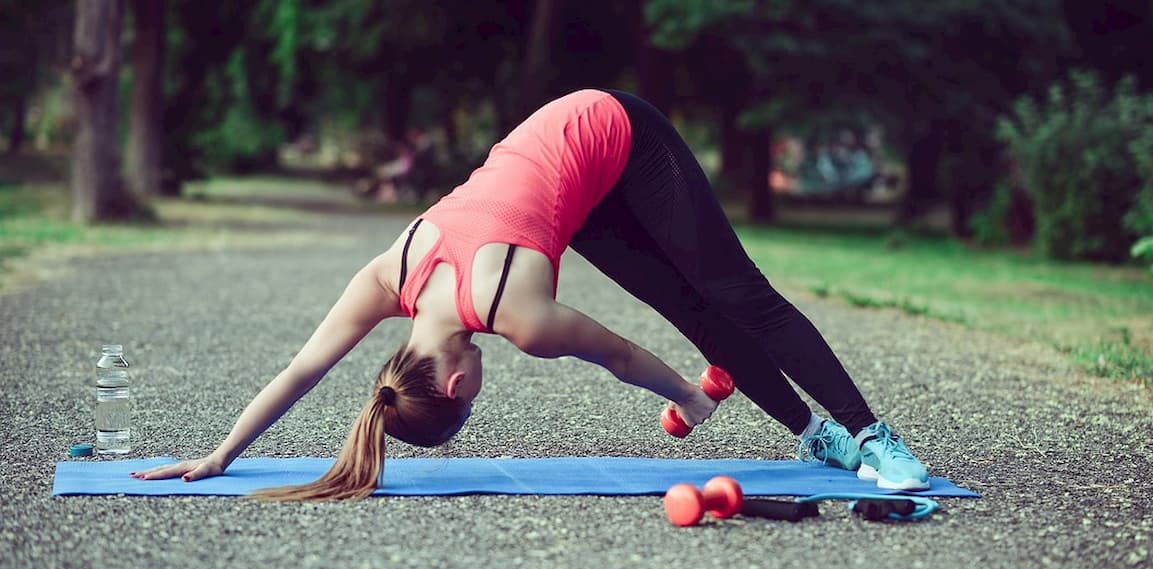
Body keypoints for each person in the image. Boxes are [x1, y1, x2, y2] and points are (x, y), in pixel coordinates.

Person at [132, 89, 930, 500]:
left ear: (455, 384)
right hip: (575, 191)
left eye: (470, 402)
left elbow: (621, 356)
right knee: (689, 308)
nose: (480, 390)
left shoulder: (516, 315)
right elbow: (302, 368)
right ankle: (815, 434)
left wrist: (690, 396)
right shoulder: (388, 274)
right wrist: (222, 453)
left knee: (733, 290)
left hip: (609, 129)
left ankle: (874, 436)